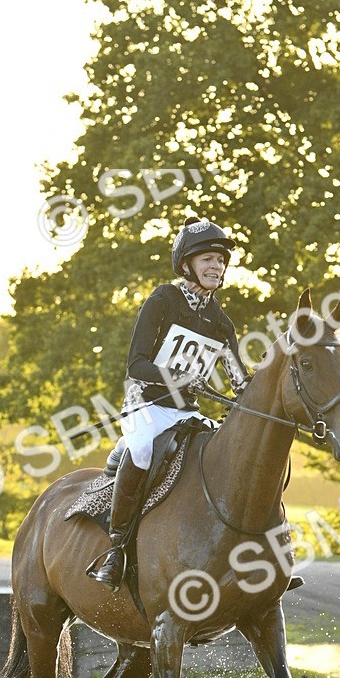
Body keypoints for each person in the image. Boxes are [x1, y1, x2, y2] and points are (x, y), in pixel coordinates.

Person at [87, 216, 250, 590]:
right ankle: (116, 548)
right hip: (146, 406)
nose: (216, 266)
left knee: (234, 456)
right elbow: (137, 364)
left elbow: (239, 381)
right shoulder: (164, 300)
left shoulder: (221, 323)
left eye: (221, 260)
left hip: (187, 414)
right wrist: (180, 378)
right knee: (142, 449)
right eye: (208, 258)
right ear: (187, 264)